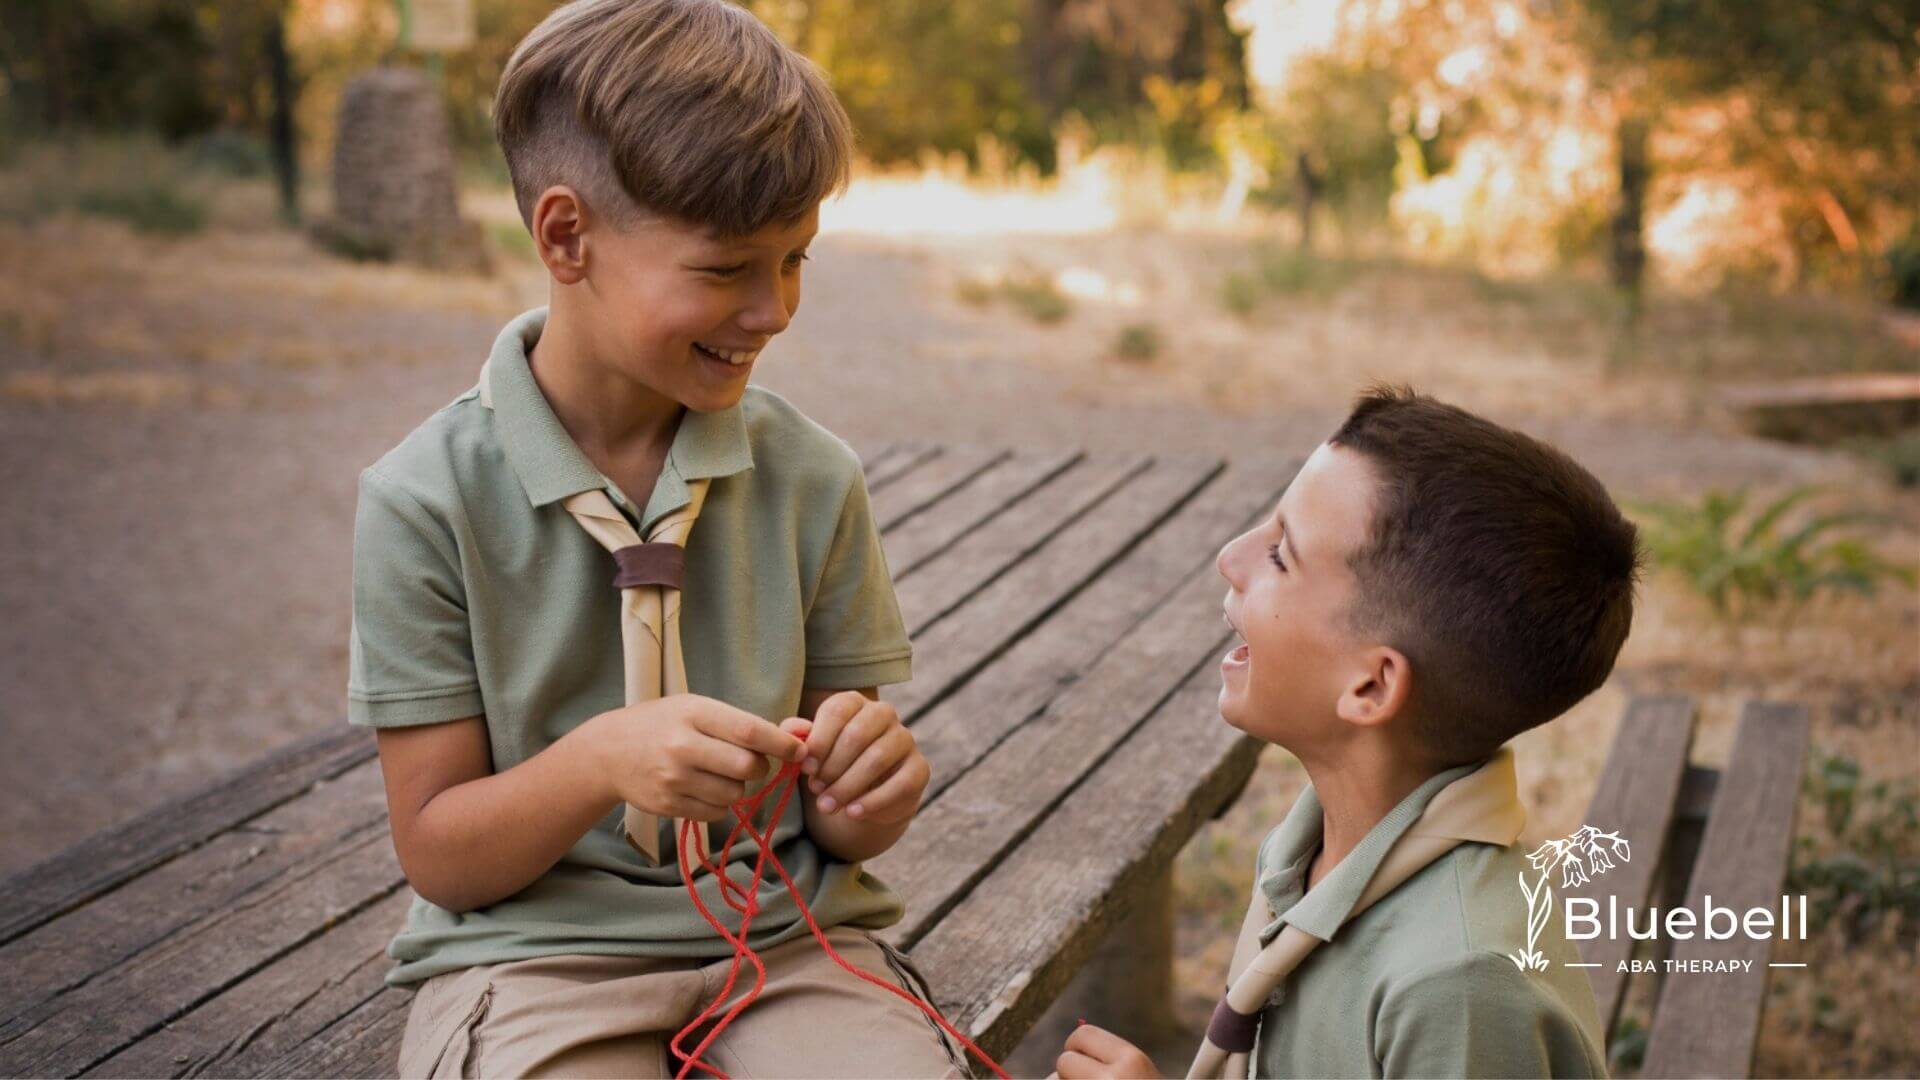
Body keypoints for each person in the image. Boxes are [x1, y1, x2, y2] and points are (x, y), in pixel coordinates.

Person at [346, 1, 960, 1074]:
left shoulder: (815, 480)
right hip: (533, 959)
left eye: (796, 261)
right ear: (565, 236)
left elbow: (847, 826)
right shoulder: (422, 502)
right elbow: (438, 853)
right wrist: (595, 764)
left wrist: (872, 791)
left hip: (790, 949)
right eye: (727, 270)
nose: (772, 311)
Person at [1056, 385, 1637, 1079]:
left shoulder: (1458, 988)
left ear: (1370, 687)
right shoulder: (1317, 849)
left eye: (1280, 555)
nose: (1231, 557)